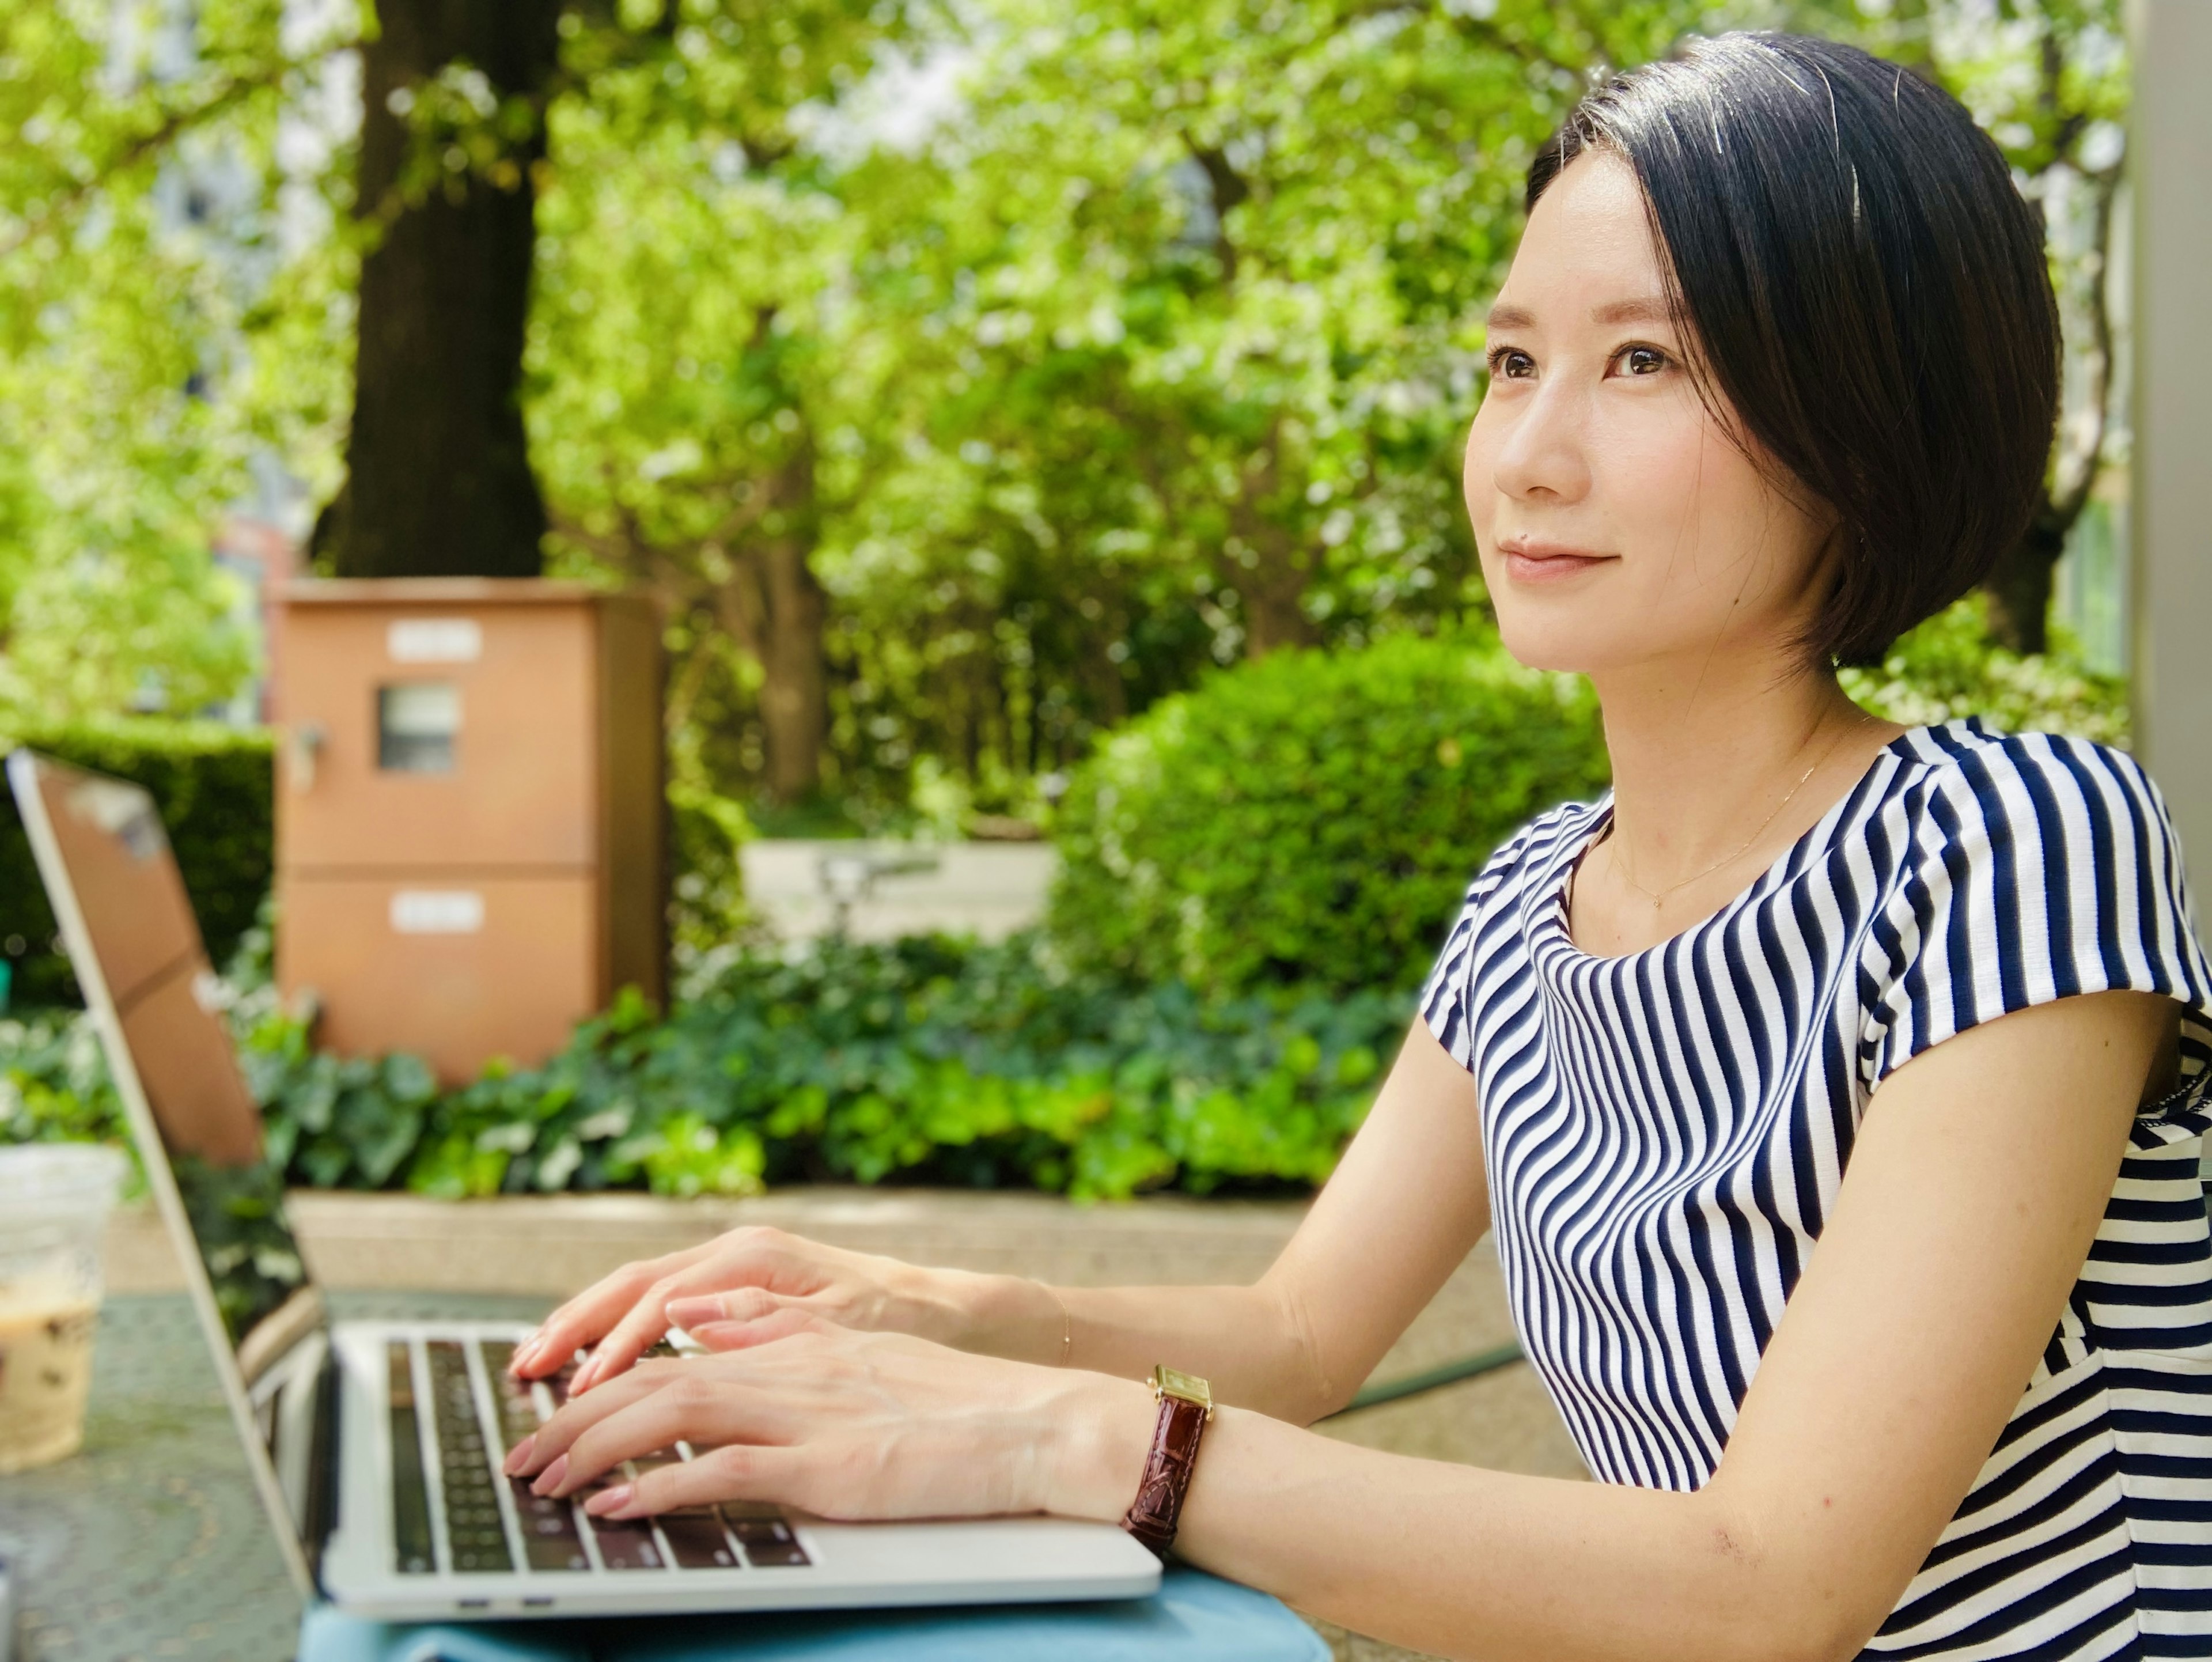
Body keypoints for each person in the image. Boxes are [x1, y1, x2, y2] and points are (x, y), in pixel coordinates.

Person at [503, 32, 2212, 1661]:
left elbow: (1767, 1591)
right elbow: (1299, 1339)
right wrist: (923, 1309)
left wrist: (1074, 1439)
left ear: (1867, 413)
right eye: (1510, 362)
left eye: (1647, 362)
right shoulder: (1530, 906)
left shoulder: (2007, 846)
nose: (1529, 458)